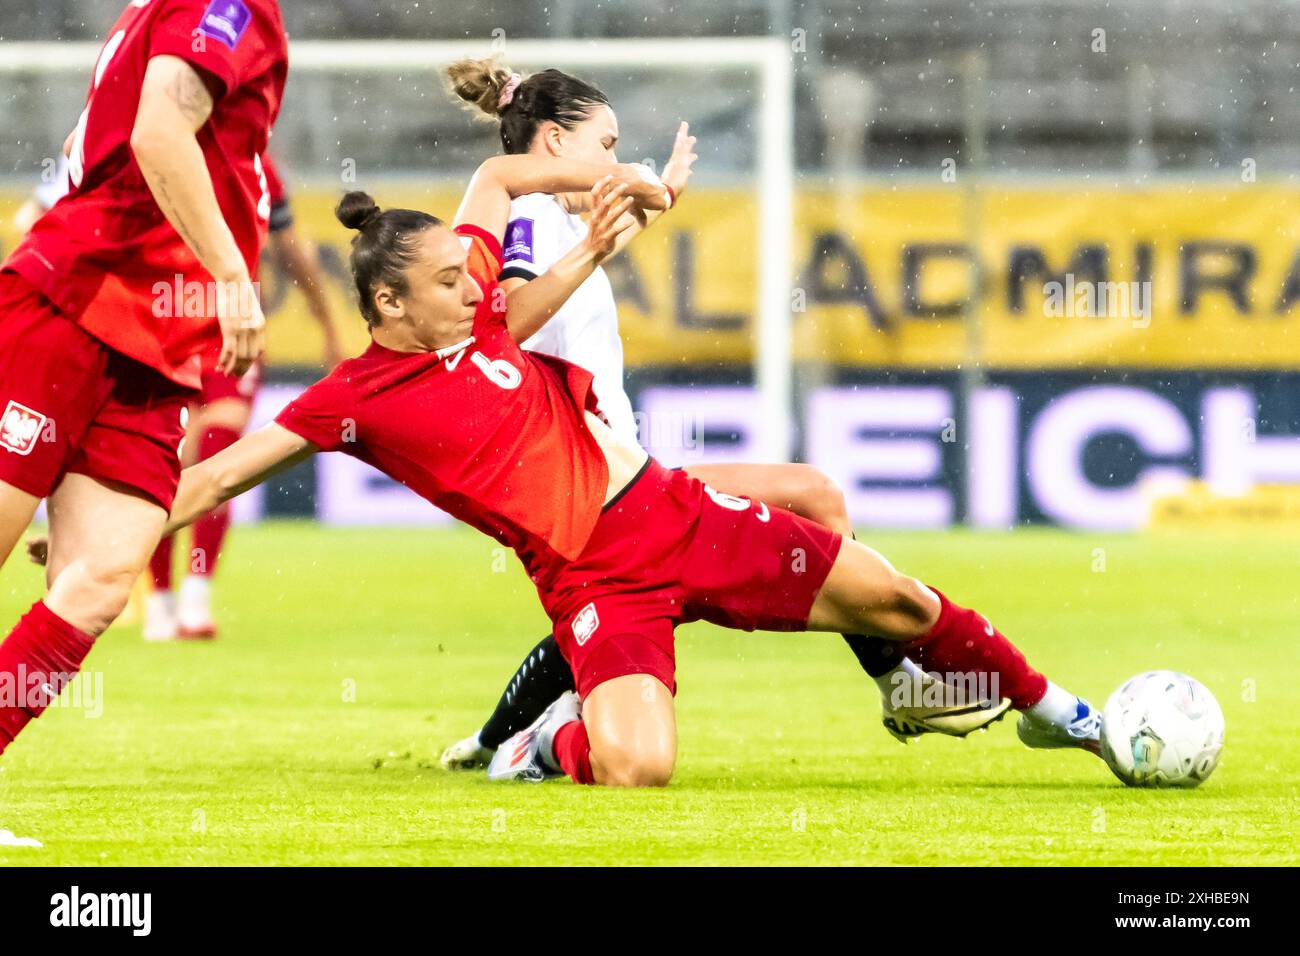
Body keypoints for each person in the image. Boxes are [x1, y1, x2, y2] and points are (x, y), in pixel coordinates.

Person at [155, 170, 1103, 789]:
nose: (476, 286)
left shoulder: (478, 312)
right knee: (638, 769)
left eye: (468, 269)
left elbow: (498, 176)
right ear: (388, 302)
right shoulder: (351, 397)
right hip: (594, 580)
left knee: (895, 599)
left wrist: (603, 195)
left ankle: (1069, 718)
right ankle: (539, 745)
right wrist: (110, 536)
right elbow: (215, 477)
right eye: (450, 280)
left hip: (676, 512)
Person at [437, 59, 1008, 771]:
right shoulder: (529, 218)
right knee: (807, 500)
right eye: (606, 144)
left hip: (617, 479)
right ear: (552, 143)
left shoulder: (555, 220)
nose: (615, 159)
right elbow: (510, 320)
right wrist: (612, 224)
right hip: (593, 483)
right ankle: (896, 681)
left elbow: (609, 234)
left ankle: (496, 742)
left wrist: (659, 194)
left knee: (615, 610)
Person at [0, 0, 288, 760]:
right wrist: (230, 271)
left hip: (153, 348)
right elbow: (158, 128)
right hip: (75, 304)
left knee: (100, 576)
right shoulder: (220, 3)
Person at [144, 153, 344, 640]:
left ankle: (196, 596)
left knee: (217, 453)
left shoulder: (258, 166)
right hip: (161, 326)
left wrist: (326, 322)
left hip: (230, 330)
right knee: (164, 462)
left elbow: (292, 249)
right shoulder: (152, 147)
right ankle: (161, 599)